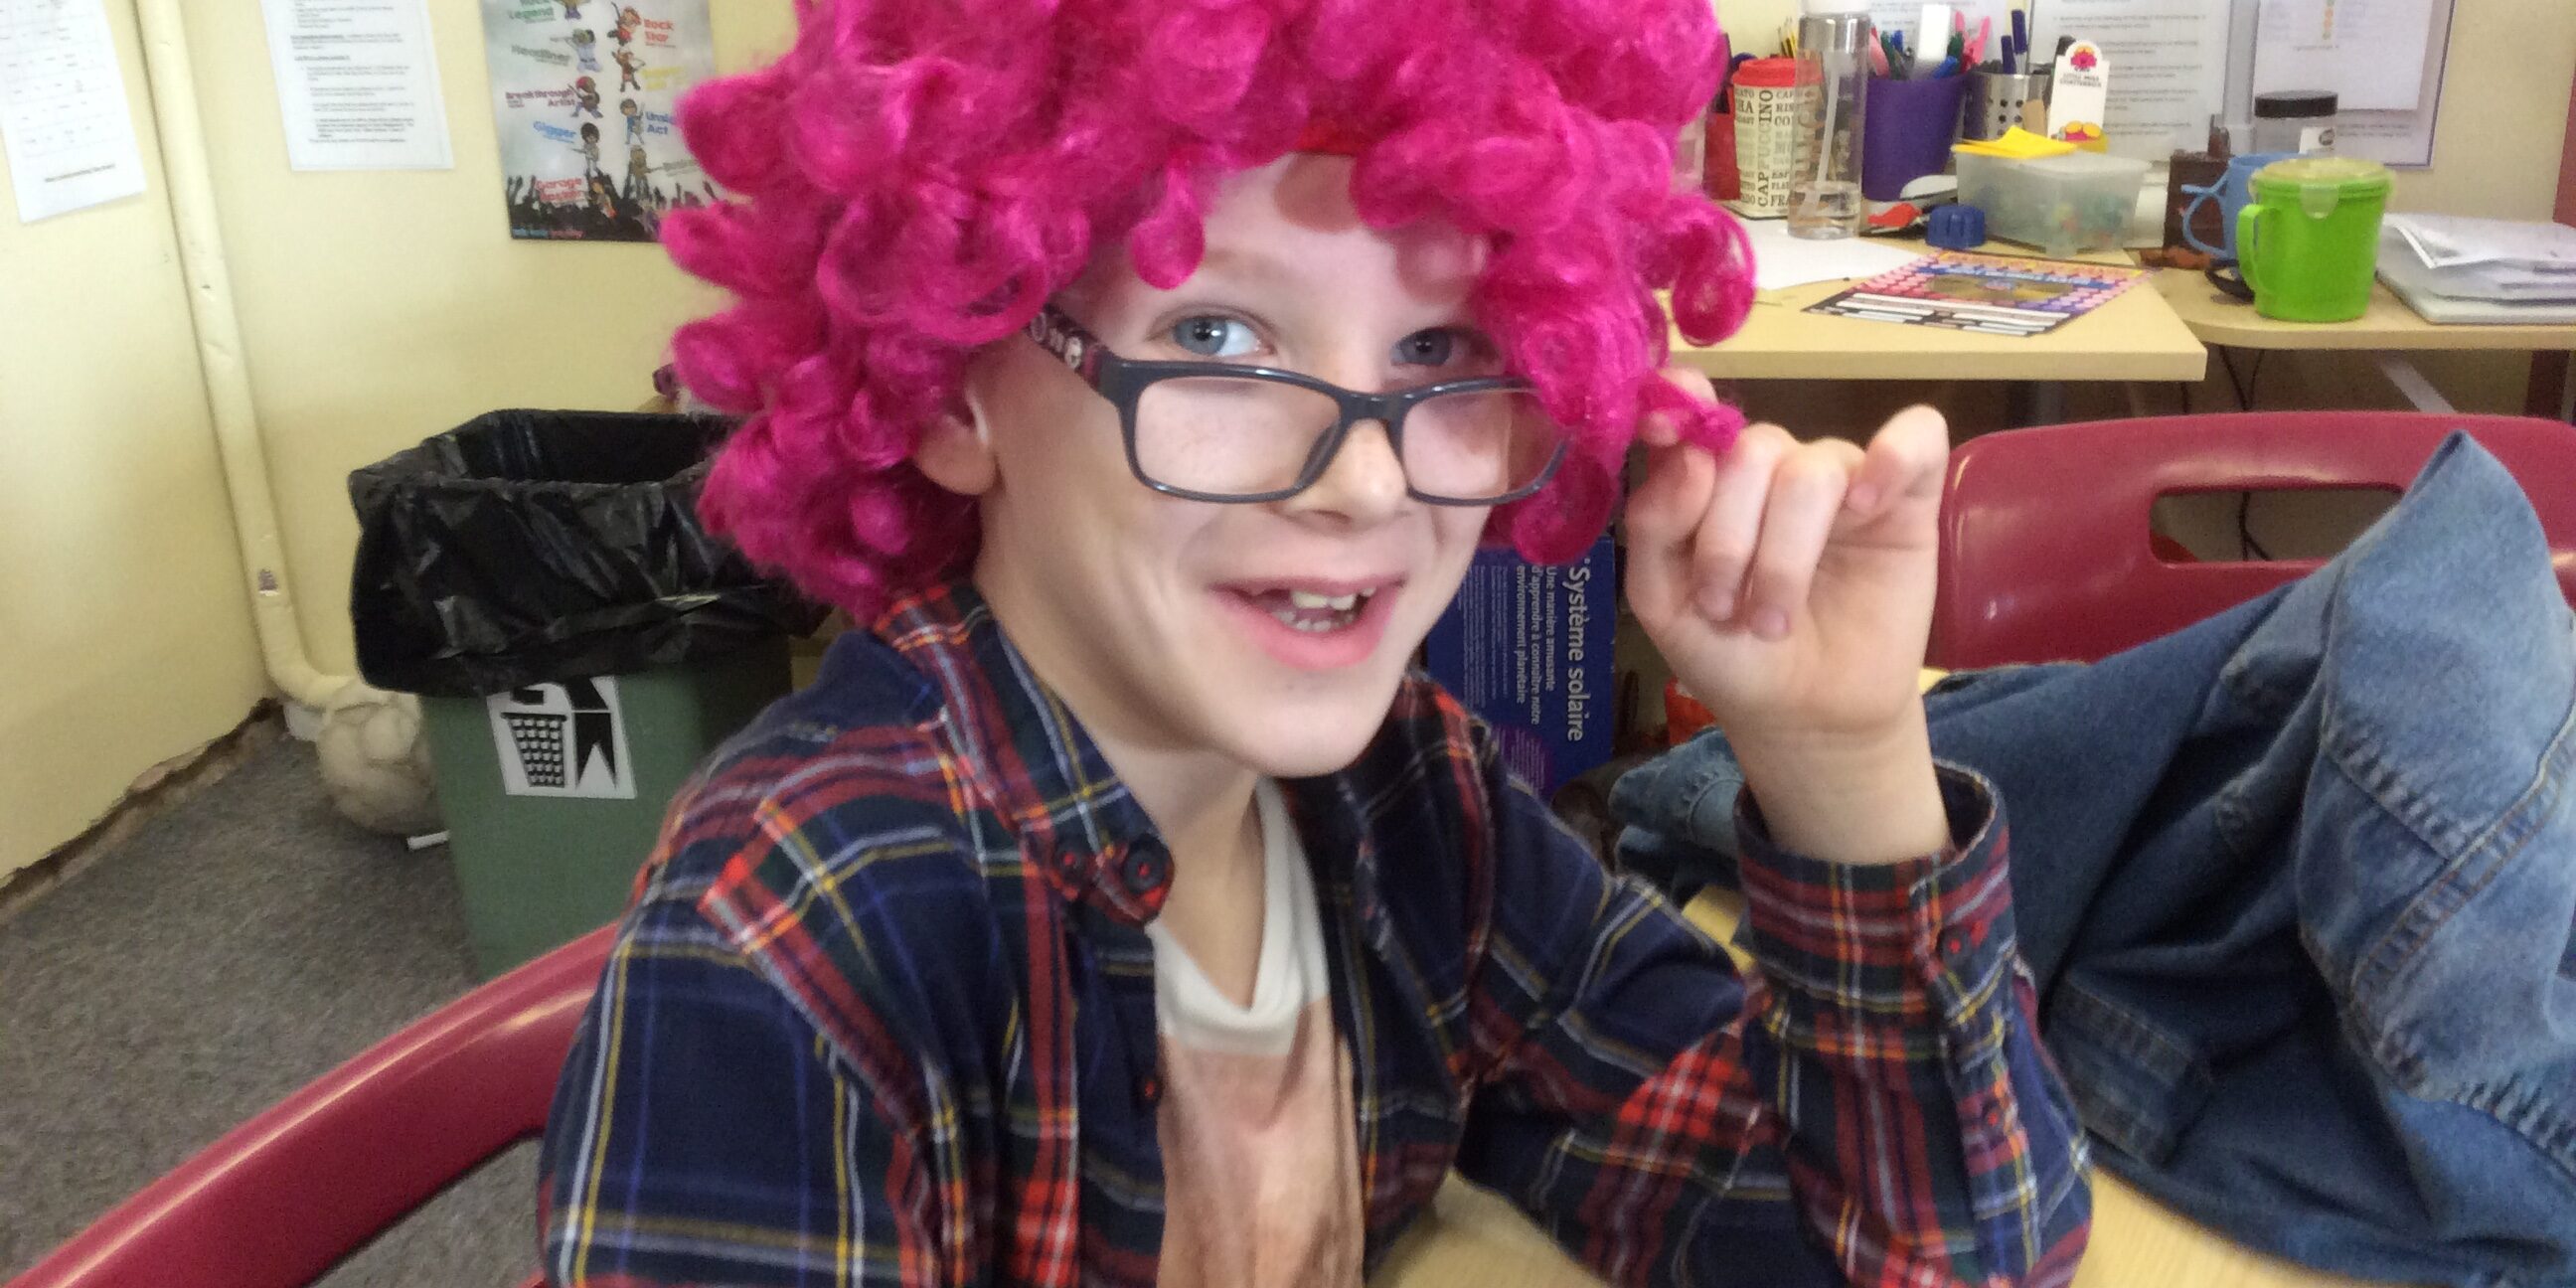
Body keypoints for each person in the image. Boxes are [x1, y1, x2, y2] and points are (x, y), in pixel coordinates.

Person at [536, 1, 2092, 1285]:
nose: (1362, 484)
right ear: (951, 384)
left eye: (1439, 349)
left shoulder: (1410, 802)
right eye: (1217, 338)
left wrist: (1838, 756)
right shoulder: (801, 937)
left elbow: (1922, 1254)